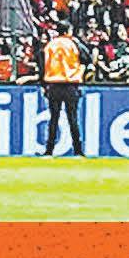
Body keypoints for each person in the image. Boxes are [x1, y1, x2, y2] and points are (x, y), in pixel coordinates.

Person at [42, 21, 86, 156]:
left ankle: (49, 150)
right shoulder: (73, 44)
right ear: (68, 31)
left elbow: (43, 64)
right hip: (70, 84)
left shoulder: (50, 45)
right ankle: (78, 150)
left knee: (53, 119)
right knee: (72, 118)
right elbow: (87, 57)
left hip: (53, 83)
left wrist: (44, 85)